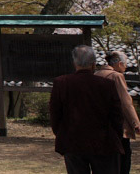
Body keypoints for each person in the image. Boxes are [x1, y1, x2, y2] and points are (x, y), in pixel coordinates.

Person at [50, 44, 123, 174]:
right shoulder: (107, 85)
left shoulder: (61, 83)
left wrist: (62, 133)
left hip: (72, 141)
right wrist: (116, 137)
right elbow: (117, 116)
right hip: (104, 142)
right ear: (93, 63)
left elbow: (55, 114)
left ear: (74, 63)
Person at [95, 51, 140, 174]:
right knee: (123, 158)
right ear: (119, 63)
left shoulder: (96, 74)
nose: (126, 66)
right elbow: (126, 102)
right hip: (117, 125)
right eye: (125, 64)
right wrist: (136, 124)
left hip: (99, 124)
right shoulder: (116, 76)